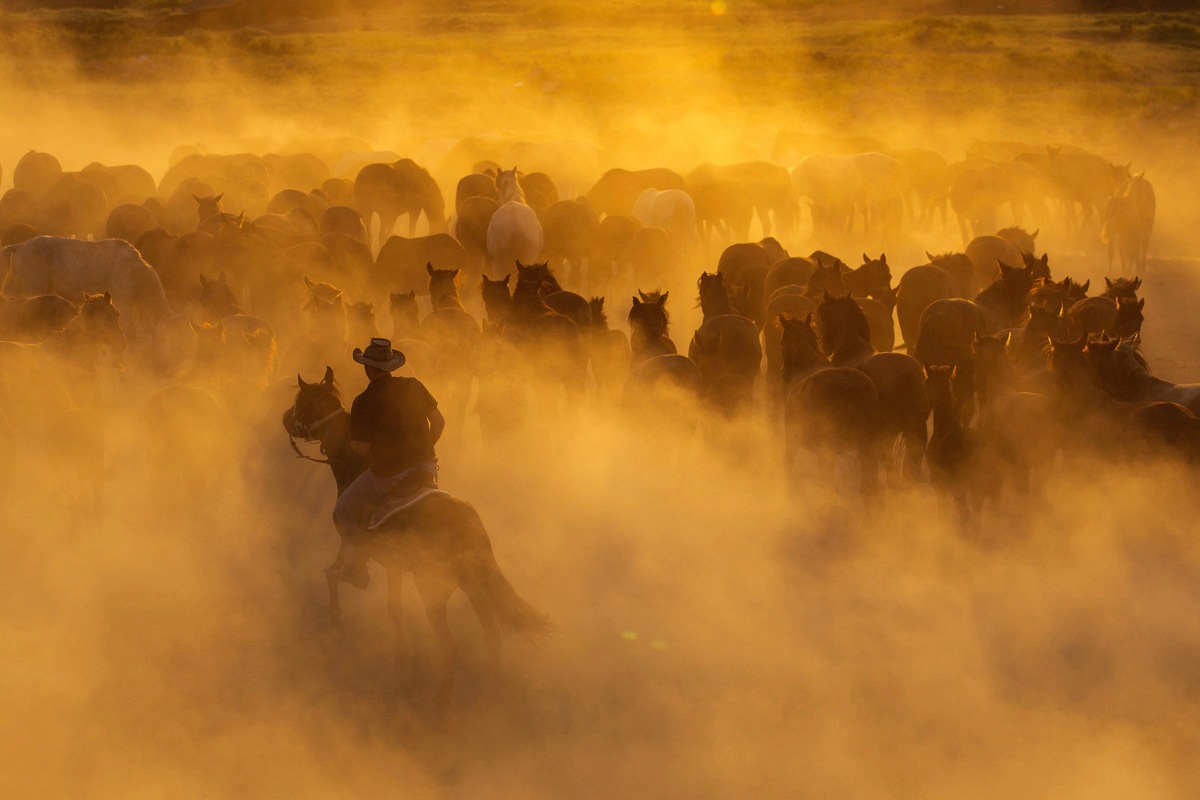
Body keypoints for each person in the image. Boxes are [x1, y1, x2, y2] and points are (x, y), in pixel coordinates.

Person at [330, 338, 445, 589]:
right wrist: (426, 448)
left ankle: (355, 567)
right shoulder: (414, 385)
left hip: (390, 474)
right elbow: (439, 421)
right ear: (391, 366)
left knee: (345, 509)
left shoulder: (363, 401)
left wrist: (356, 448)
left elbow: (363, 449)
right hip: (427, 468)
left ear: (367, 369)